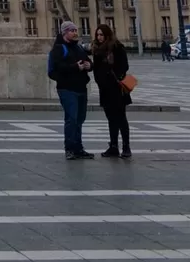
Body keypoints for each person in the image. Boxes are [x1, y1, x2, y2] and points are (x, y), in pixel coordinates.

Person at [49, 21, 95, 160]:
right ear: (64, 33)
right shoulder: (58, 48)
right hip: (67, 88)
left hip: (81, 87)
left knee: (80, 119)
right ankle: (69, 148)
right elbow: (57, 68)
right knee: (71, 119)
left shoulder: (79, 48)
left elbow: (88, 62)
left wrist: (89, 65)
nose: (75, 32)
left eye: (75, 30)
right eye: (71, 30)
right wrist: (75, 67)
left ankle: (78, 148)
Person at [92, 24, 132, 158]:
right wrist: (99, 80)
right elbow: (96, 69)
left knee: (121, 118)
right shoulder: (97, 50)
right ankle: (113, 146)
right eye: (97, 35)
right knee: (110, 119)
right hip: (104, 89)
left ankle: (126, 147)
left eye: (101, 35)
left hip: (117, 88)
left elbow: (124, 66)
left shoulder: (117, 47)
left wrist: (116, 75)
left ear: (107, 35)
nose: (99, 37)